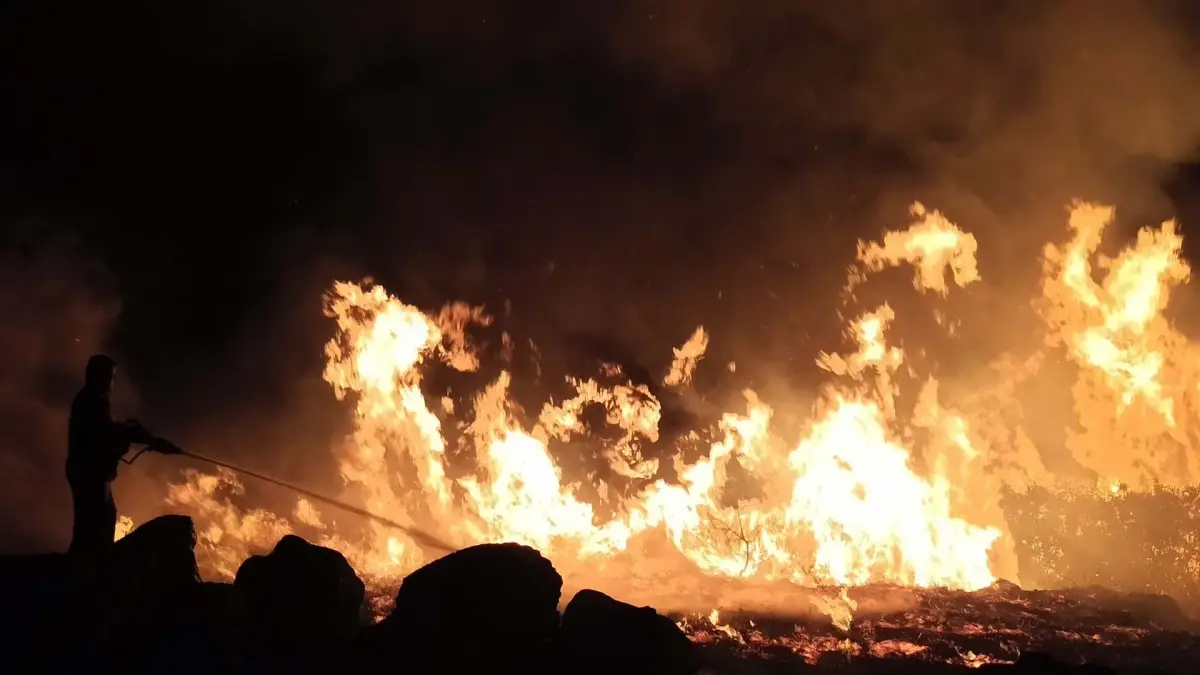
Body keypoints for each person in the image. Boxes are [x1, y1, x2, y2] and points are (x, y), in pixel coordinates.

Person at [66, 354, 181, 557]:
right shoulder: (92, 401)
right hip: (90, 473)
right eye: (111, 377)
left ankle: (88, 565)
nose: (113, 383)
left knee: (100, 519)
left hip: (90, 472)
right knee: (93, 525)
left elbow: (108, 431)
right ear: (98, 377)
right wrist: (137, 438)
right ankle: (86, 571)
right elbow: (101, 437)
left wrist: (139, 436)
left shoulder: (93, 399)